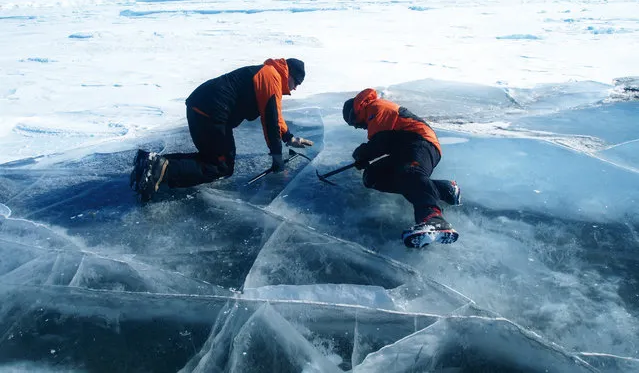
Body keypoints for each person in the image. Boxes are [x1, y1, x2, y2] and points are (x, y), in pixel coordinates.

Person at [130, 58, 313, 201]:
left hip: (201, 107)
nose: (295, 88)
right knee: (221, 165)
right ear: (289, 75)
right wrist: (277, 157)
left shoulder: (270, 74)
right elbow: (270, 120)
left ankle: (150, 162)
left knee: (211, 158)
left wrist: (288, 137)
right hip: (211, 112)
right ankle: (162, 169)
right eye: (296, 82)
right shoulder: (271, 77)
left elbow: (276, 116)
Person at [342, 88, 461, 248]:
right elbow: (382, 144)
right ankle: (443, 189)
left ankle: (434, 219)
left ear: (354, 114)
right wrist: (363, 158)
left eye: (353, 123)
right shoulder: (372, 115)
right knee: (373, 175)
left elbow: (380, 143)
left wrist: (361, 154)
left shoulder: (376, 108)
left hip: (422, 143)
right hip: (404, 150)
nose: (356, 127)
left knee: (409, 172)